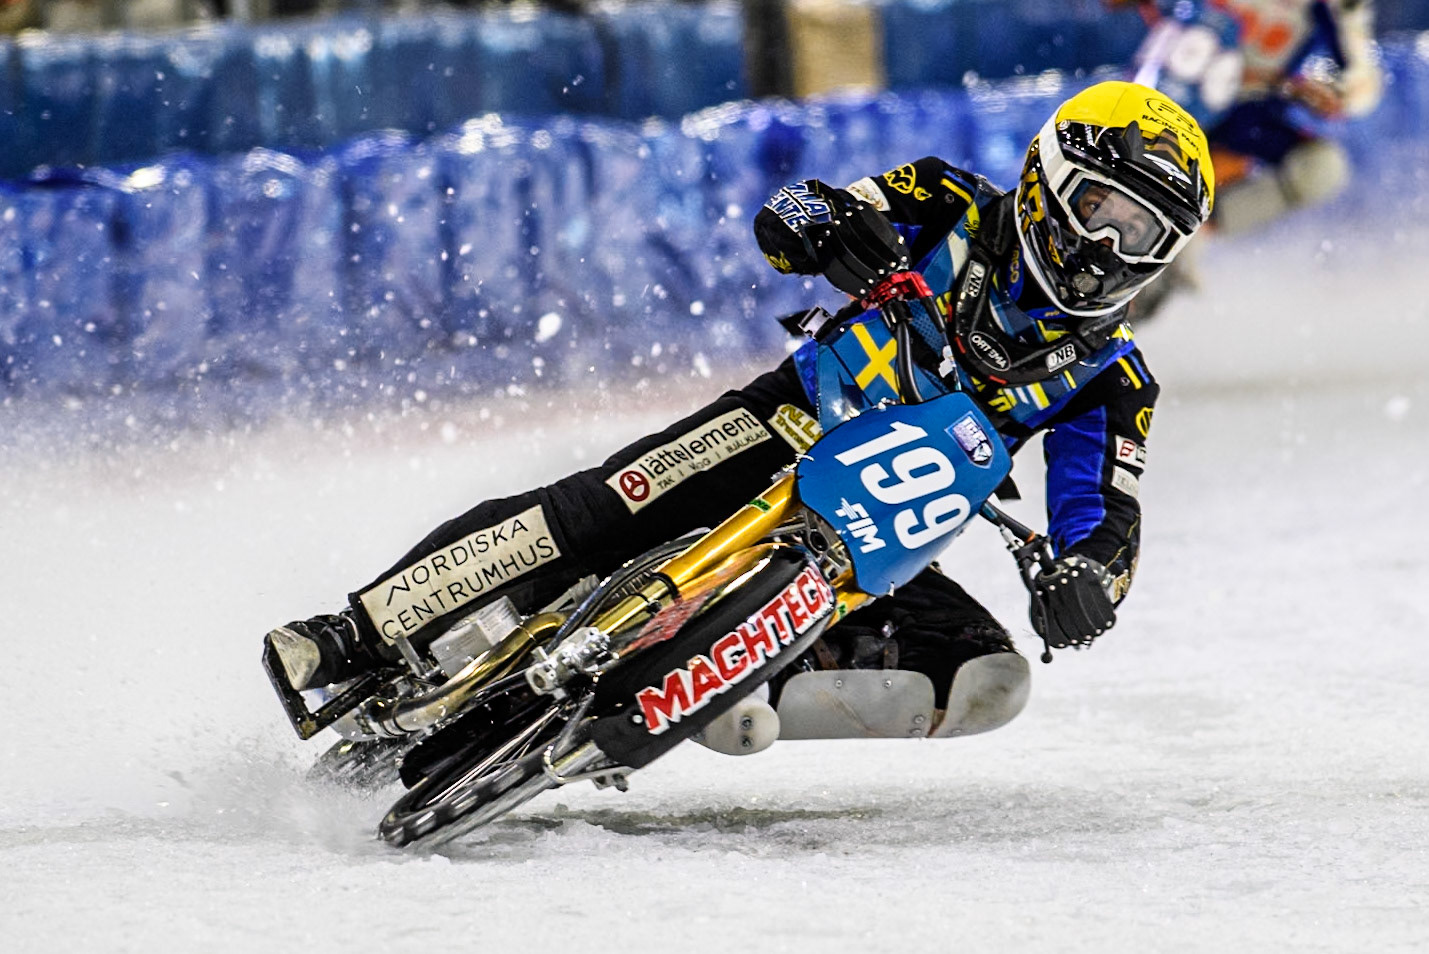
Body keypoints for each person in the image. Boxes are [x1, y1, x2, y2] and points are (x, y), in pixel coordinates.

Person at [266, 80, 1213, 748]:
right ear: (1050, 176)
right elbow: (796, 207)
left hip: (882, 526)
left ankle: (727, 686)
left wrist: (1087, 581)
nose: (1107, 248)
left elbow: (1105, 518)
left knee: (986, 682)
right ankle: (357, 630)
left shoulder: (1113, 377)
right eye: (1101, 210)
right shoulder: (945, 198)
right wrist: (824, 226)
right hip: (788, 419)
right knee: (605, 505)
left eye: (1142, 235)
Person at [1112, 0, 1380, 318]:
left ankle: (1197, 233)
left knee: (1321, 168)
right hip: (1175, 93)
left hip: (1249, 110)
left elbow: (1362, 83)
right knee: (1129, 187)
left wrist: (1333, 90)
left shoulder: (1337, 6)